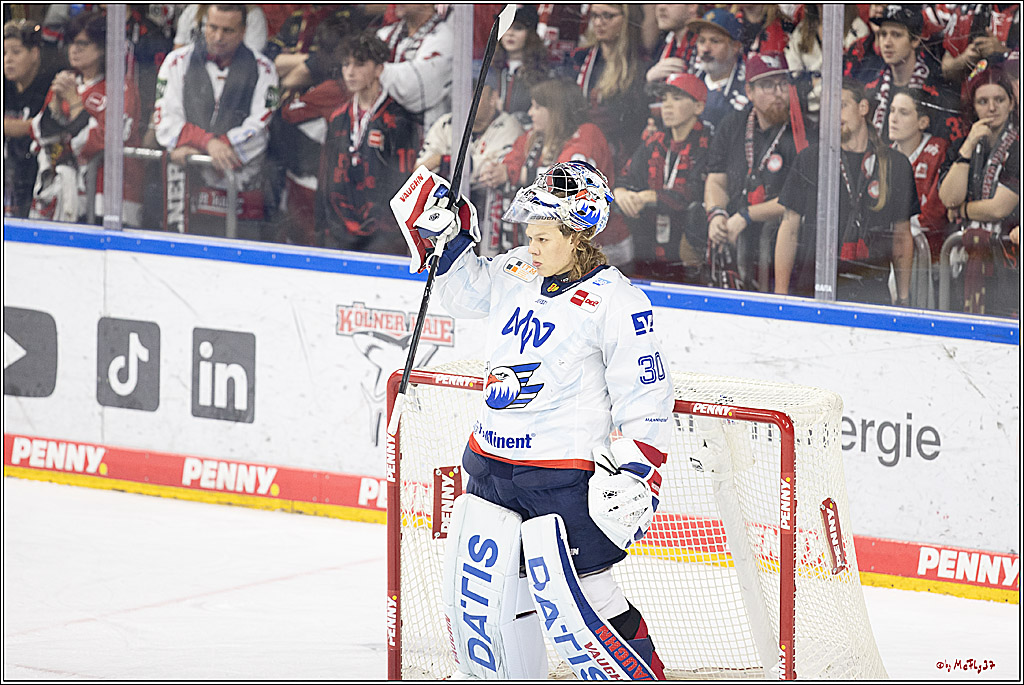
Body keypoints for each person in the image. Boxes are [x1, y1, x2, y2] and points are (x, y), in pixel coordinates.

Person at [393, 160, 673, 680]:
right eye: (530, 235)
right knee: (485, 598)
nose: (532, 246)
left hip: (560, 477)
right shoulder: (519, 270)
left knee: (586, 594)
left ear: (578, 236)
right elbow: (464, 293)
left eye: (544, 238)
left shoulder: (617, 301)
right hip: (490, 465)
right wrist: (449, 241)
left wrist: (638, 471)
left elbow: (645, 395)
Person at [774, 80, 917, 305]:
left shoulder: (895, 165)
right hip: (814, 291)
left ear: (863, 108)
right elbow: (789, 229)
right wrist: (780, 295)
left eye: (841, 106)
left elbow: (901, 236)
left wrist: (904, 298)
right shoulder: (810, 159)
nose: (833, 115)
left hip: (871, 295)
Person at [154, 4, 279, 238]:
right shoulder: (176, 61)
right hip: (185, 186)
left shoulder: (264, 69)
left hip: (240, 189)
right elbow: (165, 121)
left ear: (243, 31)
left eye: (228, 30)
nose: (218, 37)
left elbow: (259, 126)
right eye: (212, 27)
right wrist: (209, 143)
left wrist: (211, 148)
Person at [705, 53, 810, 291]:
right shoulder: (732, 124)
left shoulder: (802, 131)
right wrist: (716, 213)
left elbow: (800, 199)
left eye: (783, 84)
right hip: (735, 222)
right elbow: (716, 180)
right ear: (749, 92)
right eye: (767, 85)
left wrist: (747, 215)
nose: (778, 92)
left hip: (778, 231)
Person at [501, 78, 633, 267]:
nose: (530, 113)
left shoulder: (588, 133)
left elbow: (569, 181)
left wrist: (521, 175)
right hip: (559, 248)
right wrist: (502, 171)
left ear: (556, 110)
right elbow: (509, 162)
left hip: (601, 247)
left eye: (537, 107)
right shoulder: (538, 136)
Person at [28, 11, 144, 226]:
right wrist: (55, 106)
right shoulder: (66, 82)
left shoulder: (121, 88)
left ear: (102, 48)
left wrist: (74, 102)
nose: (74, 49)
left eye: (82, 43)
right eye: (72, 42)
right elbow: (39, 136)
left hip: (107, 201)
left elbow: (103, 141)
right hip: (62, 195)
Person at [316, 32, 418, 254]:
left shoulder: (399, 120)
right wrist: (325, 227)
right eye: (346, 64)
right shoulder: (338, 117)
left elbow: (404, 182)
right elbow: (325, 177)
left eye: (360, 64)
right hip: (340, 231)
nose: (350, 72)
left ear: (379, 69)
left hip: (384, 236)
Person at [937, 62, 1019, 318]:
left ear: (1012, 104)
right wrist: (969, 145)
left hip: (1008, 263)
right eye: (983, 101)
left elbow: (999, 208)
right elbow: (948, 197)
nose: (992, 108)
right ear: (973, 106)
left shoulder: (1019, 146)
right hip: (967, 259)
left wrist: (962, 210)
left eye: (999, 100)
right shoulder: (961, 145)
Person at [616, 72, 714, 284]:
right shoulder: (655, 140)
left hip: (690, 255)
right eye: (664, 99)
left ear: (698, 107)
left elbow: (694, 193)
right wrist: (621, 193)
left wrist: (649, 197)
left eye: (676, 99)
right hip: (650, 248)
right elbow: (626, 177)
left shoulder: (709, 143)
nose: (667, 106)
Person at [417, 73, 524, 257]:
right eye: (463, 94)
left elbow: (488, 174)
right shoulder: (445, 123)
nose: (467, 101)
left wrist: (441, 160)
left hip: (489, 224)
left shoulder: (509, 126)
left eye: (475, 94)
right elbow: (420, 172)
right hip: (445, 220)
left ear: (493, 98)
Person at [565, 4, 651, 171]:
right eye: (595, 16)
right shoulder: (579, 58)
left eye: (608, 16)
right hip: (580, 148)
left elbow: (635, 121)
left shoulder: (640, 66)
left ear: (627, 20)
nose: (599, 23)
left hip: (620, 156)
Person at [887, 86, 949, 264]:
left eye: (903, 113)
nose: (893, 119)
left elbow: (935, 214)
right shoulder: (883, 156)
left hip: (929, 258)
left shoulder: (938, 152)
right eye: (892, 110)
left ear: (923, 122)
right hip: (889, 251)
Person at [3, 19, 56, 218]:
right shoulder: (5, 87)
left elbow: (44, 127)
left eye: (16, 52)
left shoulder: (50, 86)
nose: (8, 59)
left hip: (38, 184)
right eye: (4, 53)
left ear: (34, 53)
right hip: (8, 181)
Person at [375, 3, 453, 133]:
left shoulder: (444, 37)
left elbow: (412, 88)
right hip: (382, 132)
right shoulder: (385, 34)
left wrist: (377, 71)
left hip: (426, 135)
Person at [686, 8, 748, 127]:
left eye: (715, 41)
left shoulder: (747, 89)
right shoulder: (689, 83)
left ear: (735, 47)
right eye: (701, 41)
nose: (705, 49)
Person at [492, 5, 551, 129]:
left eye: (518, 28)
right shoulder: (490, 70)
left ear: (530, 34)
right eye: (506, 27)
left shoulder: (542, 73)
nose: (510, 33)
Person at [645, 3, 702, 85]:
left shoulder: (704, 45)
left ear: (692, 6)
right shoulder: (662, 44)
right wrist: (650, 79)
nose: (661, 7)